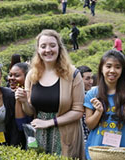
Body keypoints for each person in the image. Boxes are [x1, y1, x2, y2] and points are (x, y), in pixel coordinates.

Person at [15, 29, 85, 159]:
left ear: (59, 48)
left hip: (66, 134)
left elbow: (78, 110)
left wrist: (50, 122)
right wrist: (24, 101)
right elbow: (30, 111)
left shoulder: (73, 74)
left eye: (52, 45)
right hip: (39, 134)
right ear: (38, 50)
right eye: (43, 46)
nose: (48, 50)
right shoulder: (32, 75)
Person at [84, 50, 125, 160]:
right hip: (96, 152)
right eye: (108, 66)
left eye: (117, 67)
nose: (112, 70)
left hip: (120, 152)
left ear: (122, 70)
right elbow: (90, 125)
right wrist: (99, 111)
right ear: (102, 69)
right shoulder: (92, 94)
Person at [8, 62, 32, 148]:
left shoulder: (32, 94)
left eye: (16, 75)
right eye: (10, 75)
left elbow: (21, 124)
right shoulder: (8, 93)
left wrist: (19, 100)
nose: (11, 78)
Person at [77, 65, 93, 147]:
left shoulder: (92, 96)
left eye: (91, 78)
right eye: (87, 79)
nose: (91, 81)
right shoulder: (72, 97)